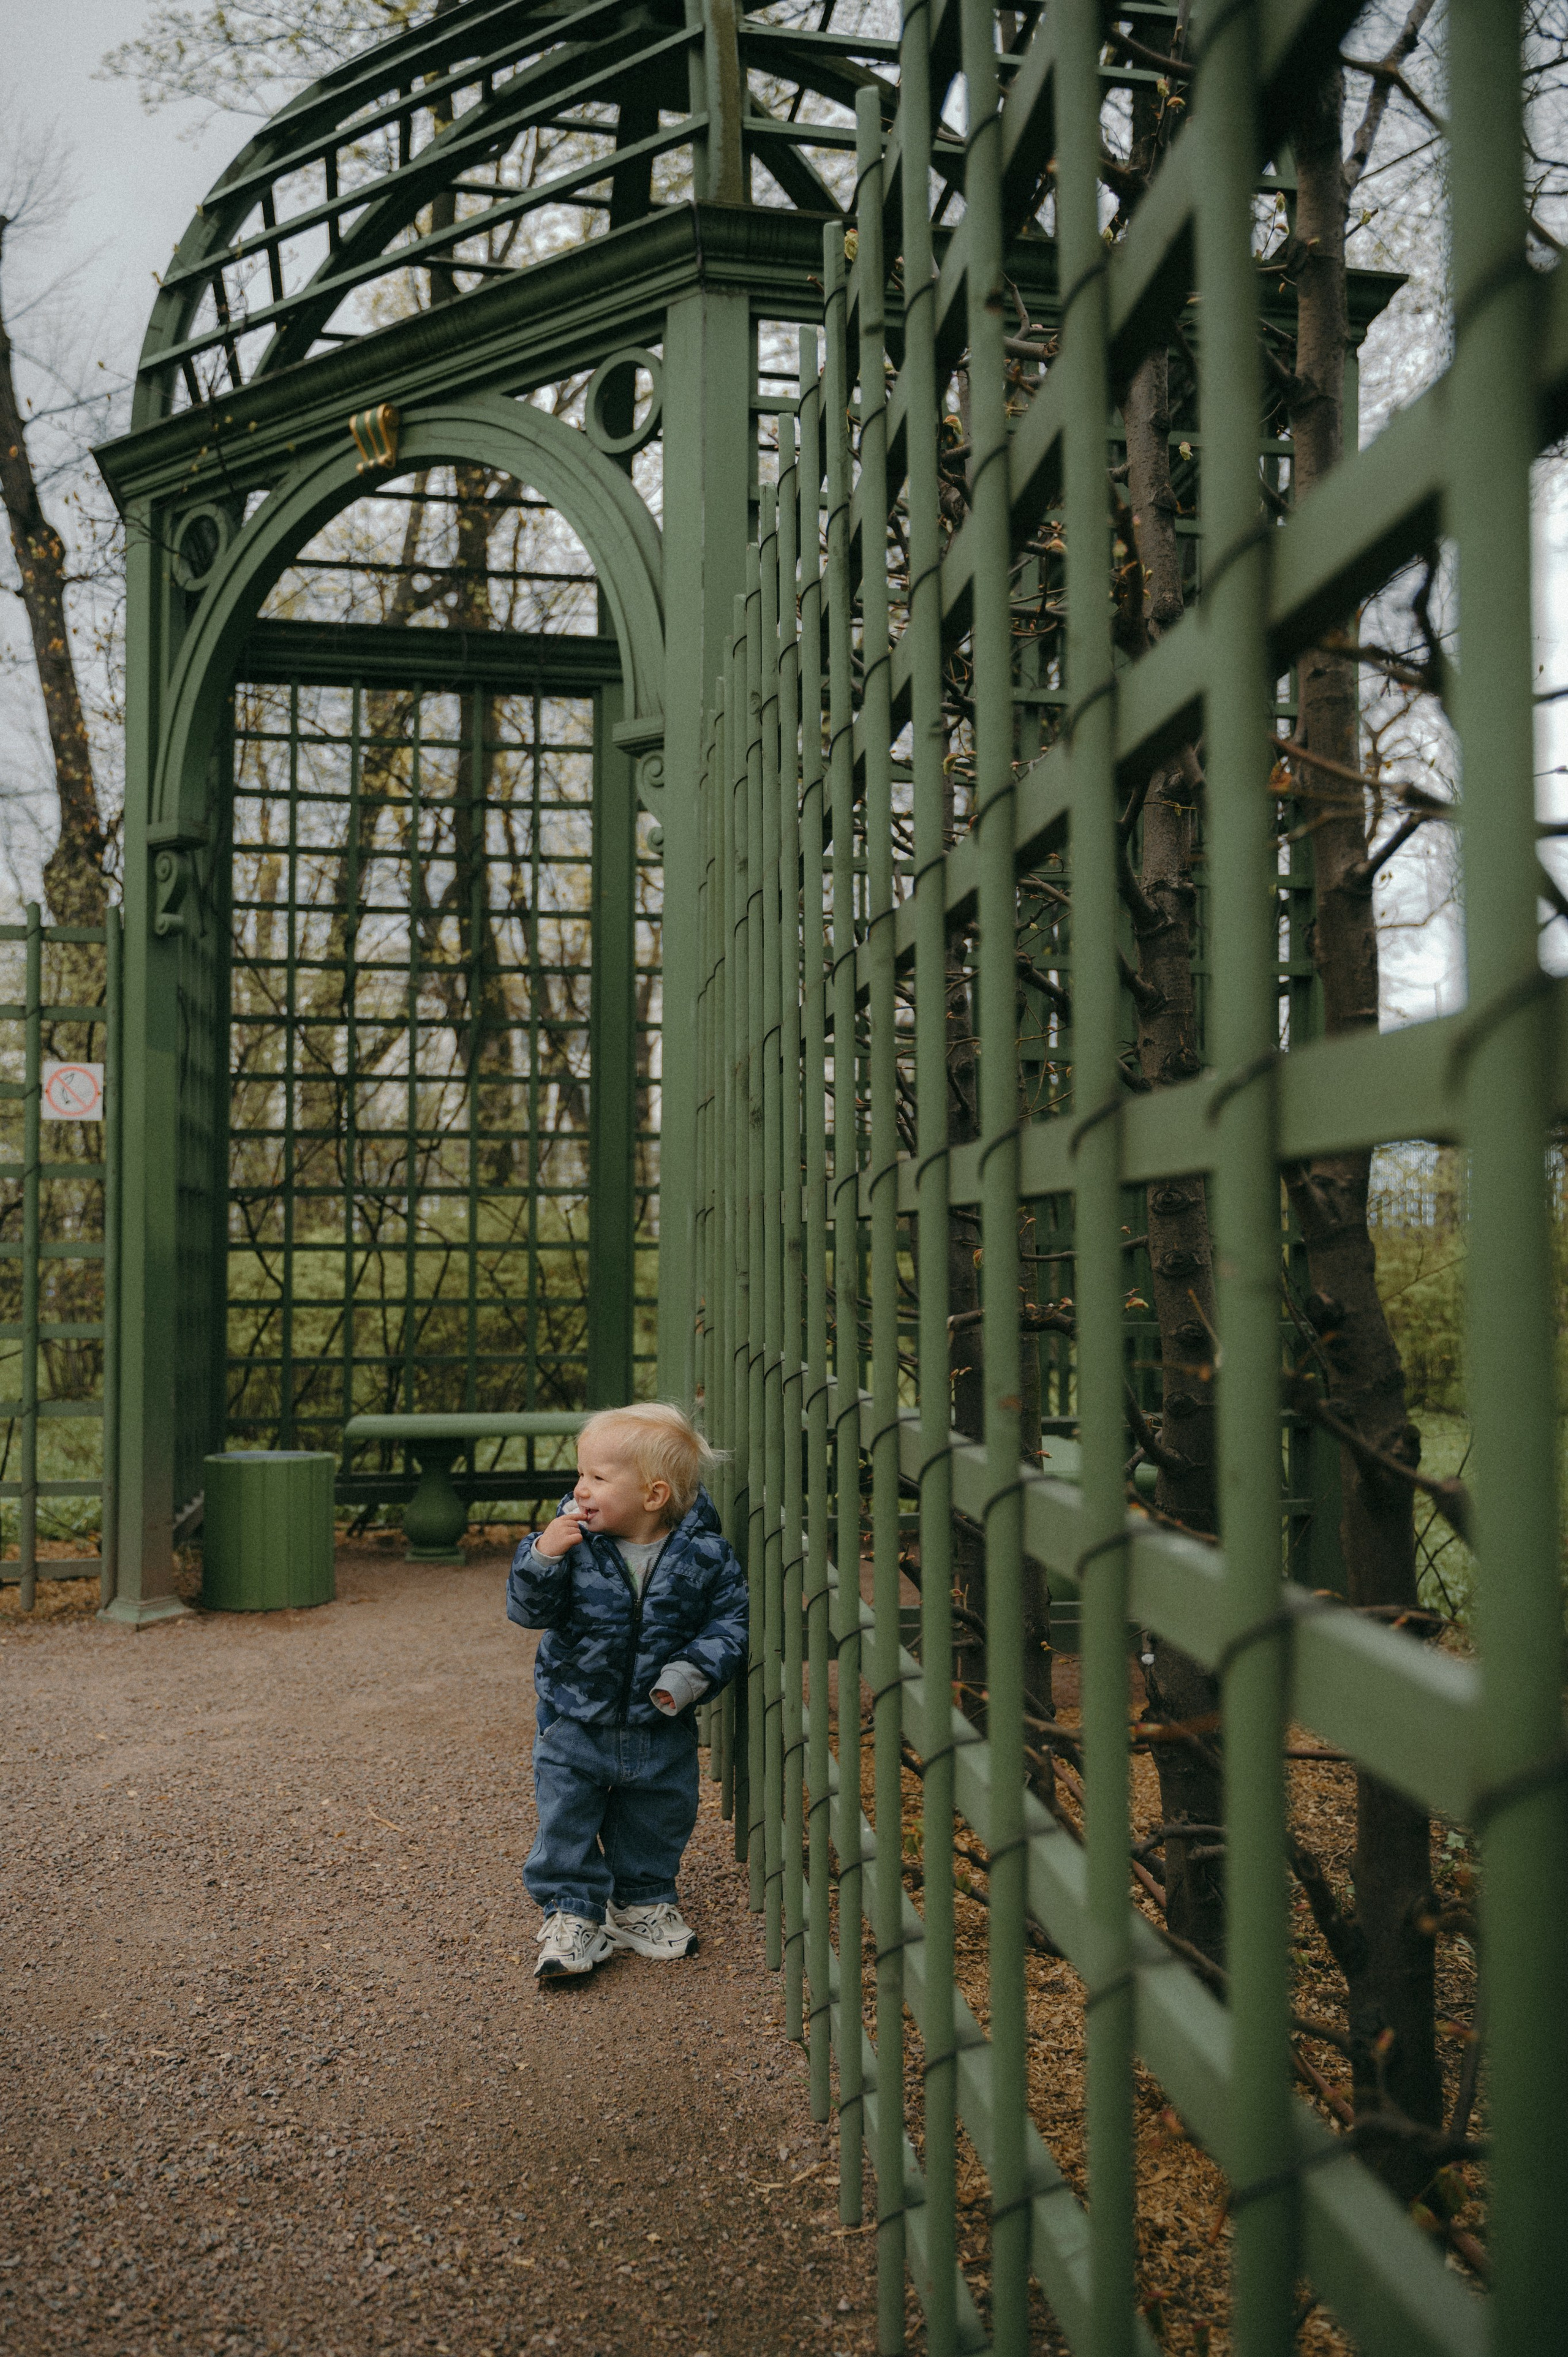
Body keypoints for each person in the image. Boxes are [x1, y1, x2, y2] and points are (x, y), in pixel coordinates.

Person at [506, 1402, 748, 1983]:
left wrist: (688, 1676)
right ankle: (571, 1911)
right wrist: (543, 1556)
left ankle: (642, 1902)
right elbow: (526, 1611)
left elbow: (730, 1625)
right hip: (574, 1714)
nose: (579, 1488)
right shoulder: (572, 1544)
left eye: (597, 1477)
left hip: (659, 1718)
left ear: (654, 1495)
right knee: (566, 1813)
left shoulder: (705, 1555)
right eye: (581, 1473)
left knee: (659, 1809)